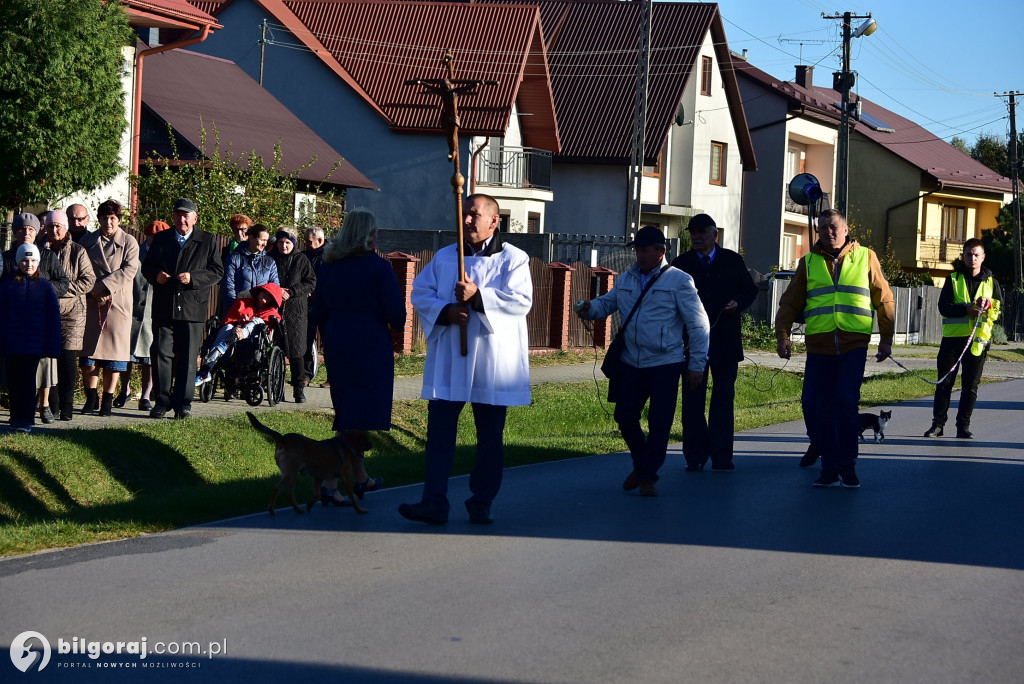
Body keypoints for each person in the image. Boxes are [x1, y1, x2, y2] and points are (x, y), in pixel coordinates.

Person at [398, 194, 531, 525]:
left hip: (491, 359)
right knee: (440, 434)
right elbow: (420, 292)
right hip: (451, 360)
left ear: (494, 221)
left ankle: (482, 500)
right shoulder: (446, 258)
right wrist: (446, 310)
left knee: (489, 437)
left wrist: (479, 297)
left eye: (474, 215)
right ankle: (434, 501)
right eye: (464, 215)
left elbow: (520, 301)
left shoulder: (514, 259)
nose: (468, 221)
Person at [578, 225, 710, 497]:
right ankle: (641, 464)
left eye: (644, 250)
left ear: (660, 251)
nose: (639, 255)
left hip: (666, 362)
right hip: (630, 361)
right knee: (624, 417)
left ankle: (648, 476)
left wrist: (697, 364)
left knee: (659, 422)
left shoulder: (679, 281)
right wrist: (591, 308)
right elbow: (608, 304)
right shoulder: (626, 279)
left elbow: (699, 325)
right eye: (636, 250)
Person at [775, 209, 894, 488]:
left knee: (845, 402)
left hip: (853, 346)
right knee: (819, 408)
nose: (828, 232)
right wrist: (783, 335)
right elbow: (790, 302)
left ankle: (847, 465)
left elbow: (884, 299)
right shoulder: (809, 262)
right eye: (823, 228)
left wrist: (886, 339)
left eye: (833, 227)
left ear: (846, 229)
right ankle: (828, 467)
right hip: (820, 347)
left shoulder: (866, 256)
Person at [311, 210, 405, 506]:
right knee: (355, 415)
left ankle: (360, 477)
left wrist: (331, 335)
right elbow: (397, 315)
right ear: (367, 235)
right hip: (370, 345)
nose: (377, 237)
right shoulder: (379, 268)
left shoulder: (328, 267)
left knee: (350, 412)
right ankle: (329, 482)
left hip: (338, 342)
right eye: (374, 232)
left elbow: (318, 311)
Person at [671, 214, 758, 471]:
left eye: (701, 232)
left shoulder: (732, 260)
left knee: (723, 400)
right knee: (692, 400)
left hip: (725, 342)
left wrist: (737, 303)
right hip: (691, 343)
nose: (696, 237)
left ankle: (722, 456)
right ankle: (695, 456)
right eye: (692, 233)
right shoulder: (681, 264)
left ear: (714, 234)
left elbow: (749, 290)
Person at [141, 197, 224, 420]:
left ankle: (183, 404)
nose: (182, 219)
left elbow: (217, 271)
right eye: (178, 215)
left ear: (195, 218)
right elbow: (147, 267)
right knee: (160, 353)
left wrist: (193, 278)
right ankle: (162, 401)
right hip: (164, 305)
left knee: (187, 358)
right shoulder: (161, 238)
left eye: (186, 215)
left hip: (192, 308)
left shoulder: (207, 240)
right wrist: (156, 275)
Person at [924, 238, 1002, 439]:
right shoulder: (954, 279)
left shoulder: (992, 282)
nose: (972, 258)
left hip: (977, 343)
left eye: (976, 254)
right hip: (952, 341)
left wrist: (988, 308)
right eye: (969, 254)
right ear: (964, 256)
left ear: (983, 257)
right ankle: (938, 425)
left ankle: (963, 427)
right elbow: (943, 307)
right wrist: (966, 310)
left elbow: (999, 311)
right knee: (944, 383)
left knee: (970, 386)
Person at [78, 200, 140, 417]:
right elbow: (81, 269)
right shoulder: (87, 241)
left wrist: (104, 286)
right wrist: (92, 289)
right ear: (99, 219)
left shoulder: (130, 242)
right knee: (89, 355)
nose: (108, 222)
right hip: (92, 302)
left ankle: (107, 400)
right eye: (104, 218)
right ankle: (91, 397)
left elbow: (129, 270)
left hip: (118, 305)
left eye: (112, 218)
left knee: (114, 357)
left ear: (119, 220)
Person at [0, 244, 62, 433]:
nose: (29, 264)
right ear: (18, 262)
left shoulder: (45, 287)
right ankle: (16, 416)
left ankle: (26, 419)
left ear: (38, 262)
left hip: (34, 345)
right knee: (14, 382)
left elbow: (53, 319)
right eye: (25, 260)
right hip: (12, 344)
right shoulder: (7, 285)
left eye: (33, 261)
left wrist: (52, 347)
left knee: (28, 382)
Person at [43, 210, 96, 422]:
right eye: (50, 226)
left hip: (73, 313)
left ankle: (67, 406)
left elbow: (88, 280)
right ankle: (52, 405)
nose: (54, 230)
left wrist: (61, 289)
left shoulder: (78, 251)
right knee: (49, 360)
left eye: (58, 226)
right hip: (46, 312)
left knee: (67, 360)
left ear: (65, 228)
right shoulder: (41, 250)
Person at [117, 220, 170, 412]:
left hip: (153, 313)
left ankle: (146, 395)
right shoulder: (135, 253)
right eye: (151, 236)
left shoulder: (167, 255)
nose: (154, 240)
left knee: (149, 358)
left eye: (158, 237)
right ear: (146, 236)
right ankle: (125, 390)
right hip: (131, 310)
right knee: (127, 355)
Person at [196, 283, 283, 384]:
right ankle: (206, 371)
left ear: (273, 300)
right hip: (232, 336)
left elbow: (267, 333)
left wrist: (246, 325)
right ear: (258, 293)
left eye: (270, 295)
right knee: (228, 327)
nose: (266, 295)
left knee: (257, 321)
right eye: (265, 292)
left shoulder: (273, 315)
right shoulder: (241, 303)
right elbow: (228, 321)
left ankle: (239, 335)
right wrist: (238, 324)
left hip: (254, 343)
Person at [270, 227, 317, 402]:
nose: (283, 246)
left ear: (294, 243)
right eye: (281, 242)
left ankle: (299, 389)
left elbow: (311, 282)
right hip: (274, 309)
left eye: (288, 242)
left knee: (297, 351)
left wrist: (293, 291)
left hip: (296, 310)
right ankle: (276, 387)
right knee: (276, 348)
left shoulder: (301, 259)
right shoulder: (271, 258)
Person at [2, 213, 70, 296]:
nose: (26, 233)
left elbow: (63, 283)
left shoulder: (48, 256)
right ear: (14, 232)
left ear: (36, 233)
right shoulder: (4, 258)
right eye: (22, 229)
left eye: (31, 229)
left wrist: (42, 288)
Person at [222, 223, 278, 314]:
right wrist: (235, 310)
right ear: (251, 238)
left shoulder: (270, 262)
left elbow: (274, 289)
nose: (265, 244)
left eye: (266, 240)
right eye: (262, 240)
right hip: (239, 311)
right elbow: (228, 287)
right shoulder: (235, 258)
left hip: (261, 314)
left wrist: (270, 313)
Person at [301, 225, 326, 386]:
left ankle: (333, 376)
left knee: (329, 341)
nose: (306, 245)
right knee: (306, 339)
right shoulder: (303, 256)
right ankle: (306, 375)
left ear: (320, 241)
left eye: (309, 242)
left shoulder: (331, 256)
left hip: (325, 305)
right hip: (307, 305)